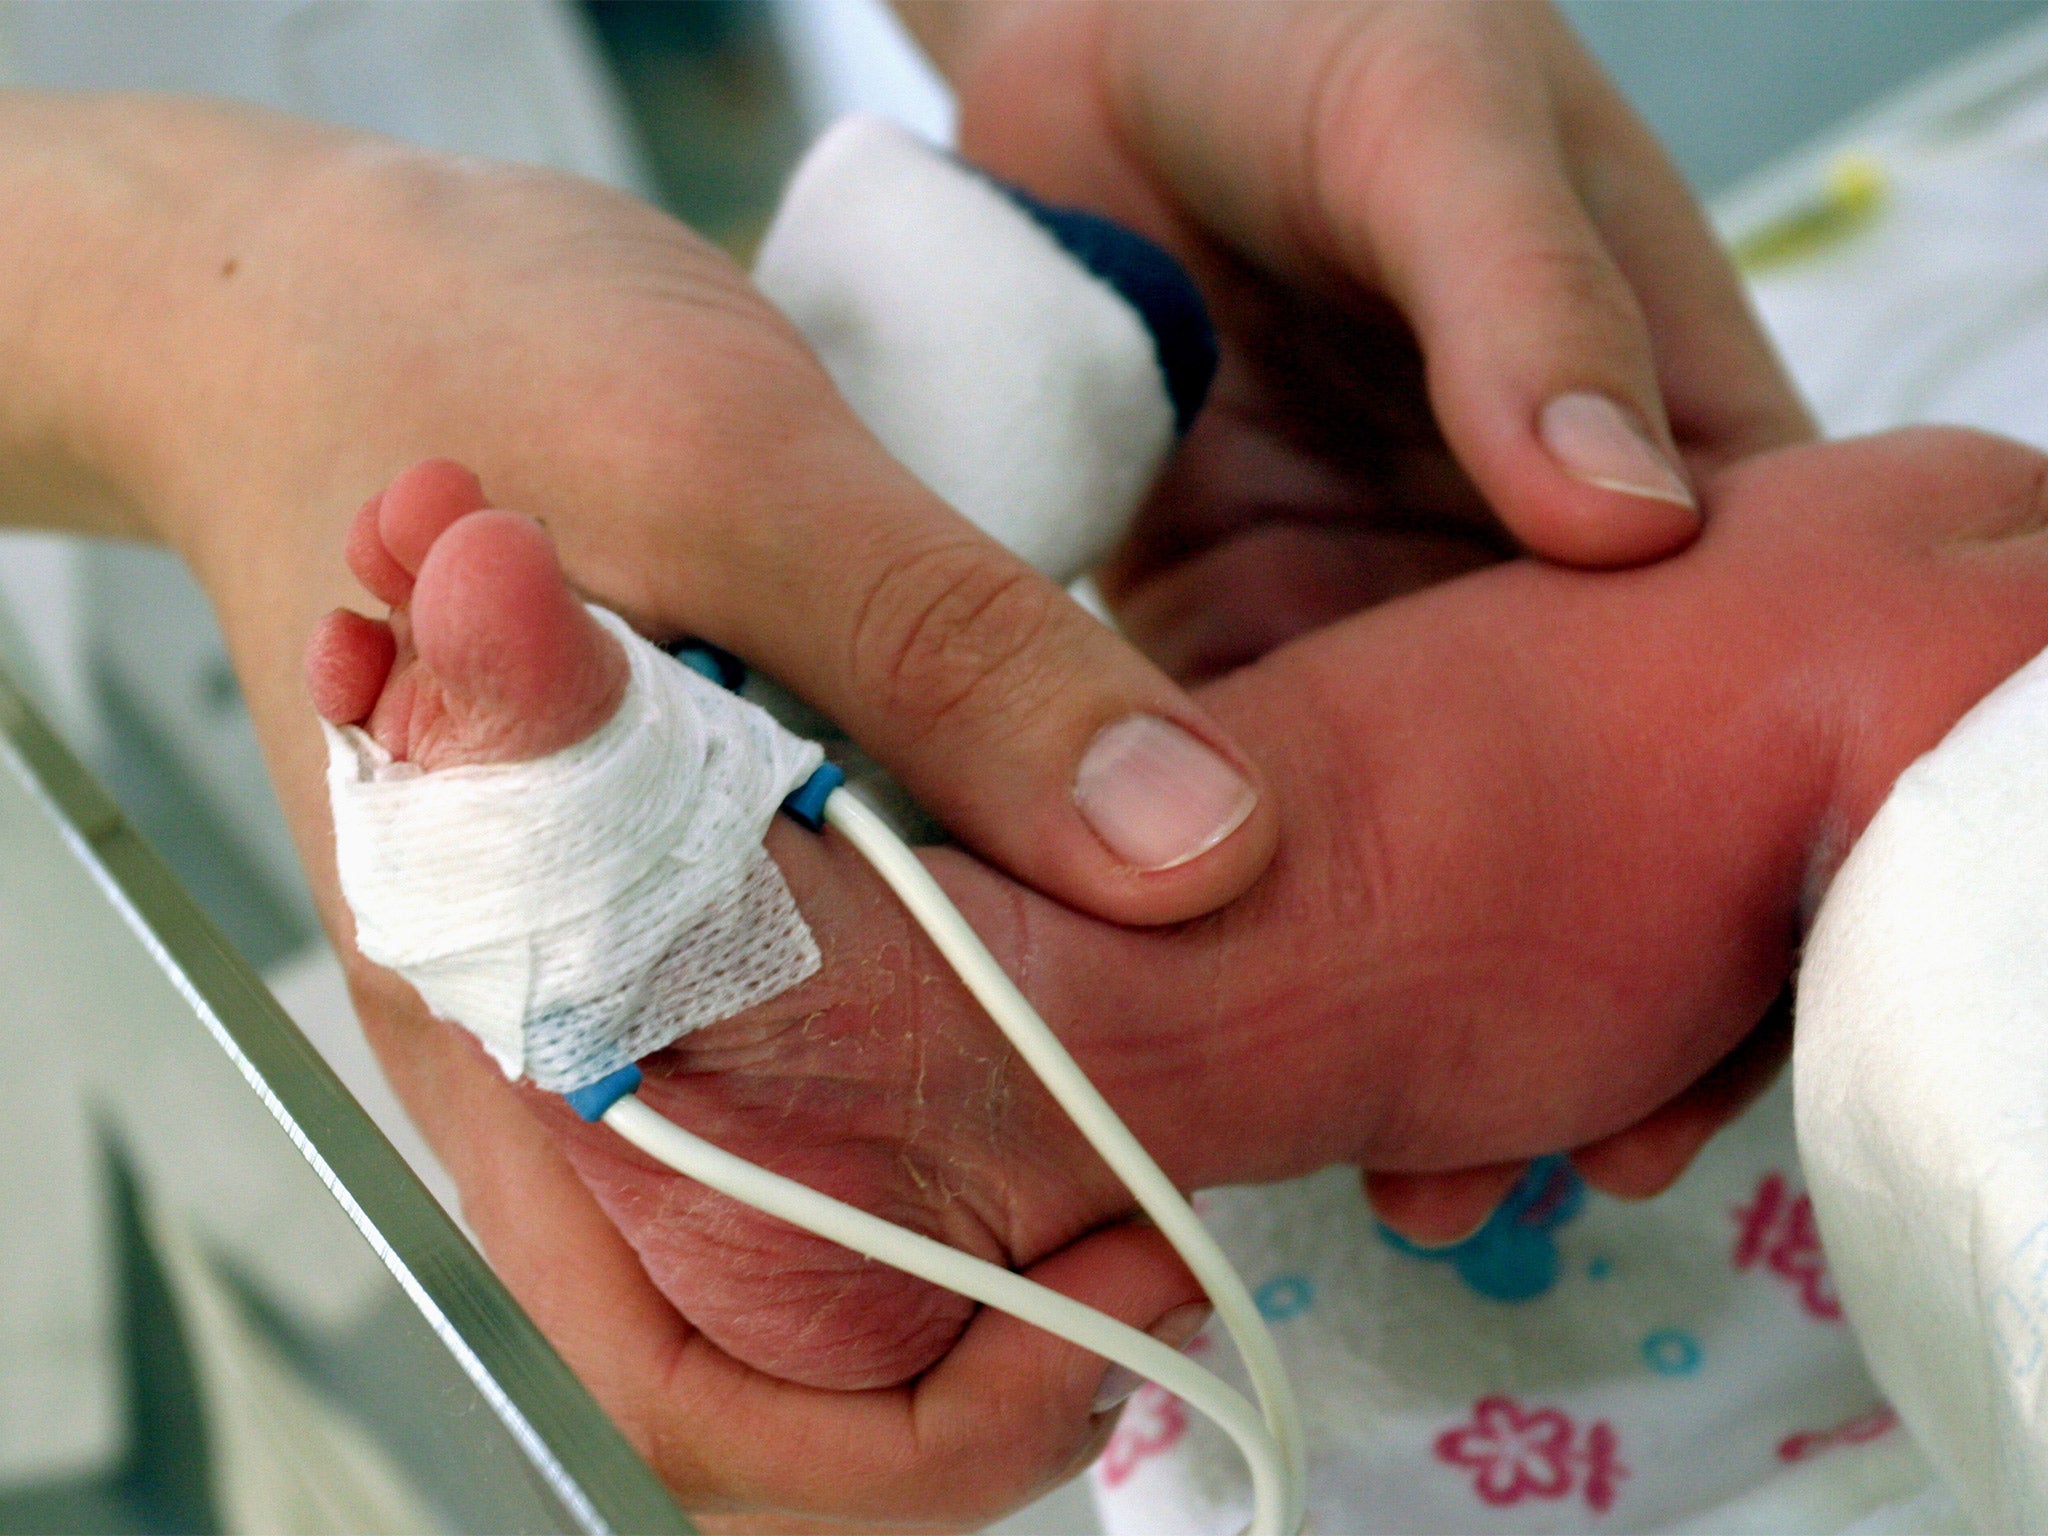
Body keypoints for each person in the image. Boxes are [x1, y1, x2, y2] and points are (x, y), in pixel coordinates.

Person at [0, 3, 1824, 1523]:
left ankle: (1007, 1019)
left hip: (514, 348)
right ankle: (1133, 1002)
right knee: (1904, 569)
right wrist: (205, 320)